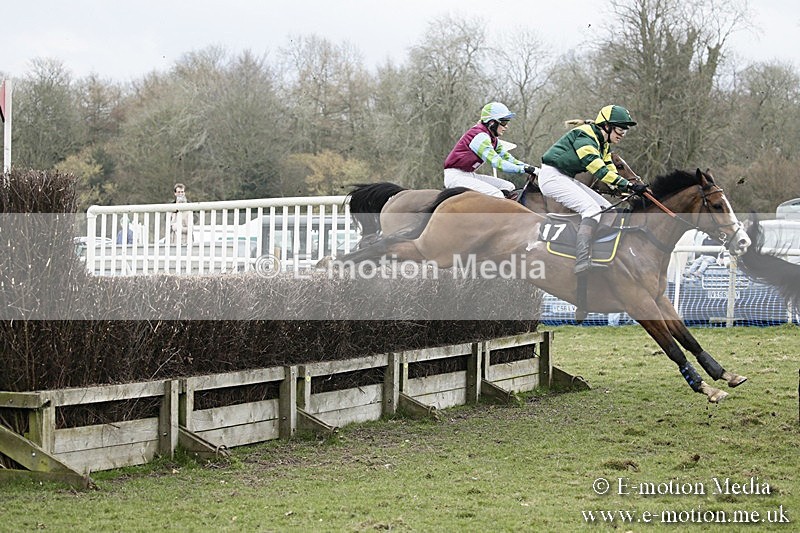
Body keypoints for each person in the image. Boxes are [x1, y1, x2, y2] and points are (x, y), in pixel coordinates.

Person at [539, 105, 647, 274]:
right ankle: (581, 259)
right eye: (620, 130)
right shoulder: (585, 135)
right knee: (592, 209)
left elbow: (610, 169)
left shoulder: (603, 144)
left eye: (625, 132)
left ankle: (595, 249)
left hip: (565, 177)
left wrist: (627, 188)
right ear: (607, 126)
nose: (622, 135)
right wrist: (629, 185)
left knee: (606, 208)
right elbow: (599, 171)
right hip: (551, 177)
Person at [444, 102, 538, 198]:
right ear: (492, 123)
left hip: (469, 175)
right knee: (497, 195)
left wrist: (530, 168)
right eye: (504, 122)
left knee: (508, 186)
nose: (506, 127)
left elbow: (507, 158)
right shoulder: (480, 137)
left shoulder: (492, 139)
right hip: (456, 177)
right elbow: (498, 163)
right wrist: (523, 169)